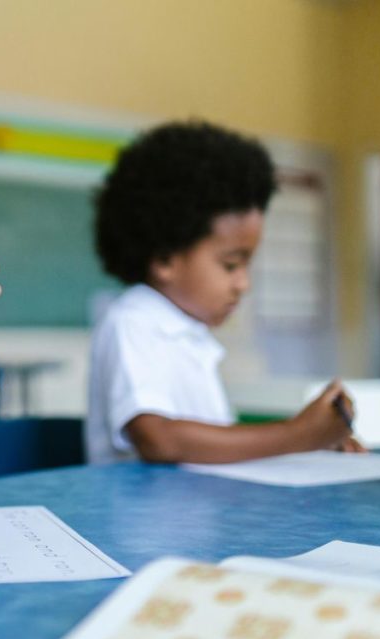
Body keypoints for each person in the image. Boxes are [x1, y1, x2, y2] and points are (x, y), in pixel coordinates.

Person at [86, 120, 361, 464]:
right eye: (231, 265)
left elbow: (210, 446)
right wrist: (297, 435)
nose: (243, 284)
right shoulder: (134, 321)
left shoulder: (190, 333)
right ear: (165, 258)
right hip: (143, 516)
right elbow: (158, 440)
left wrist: (313, 442)